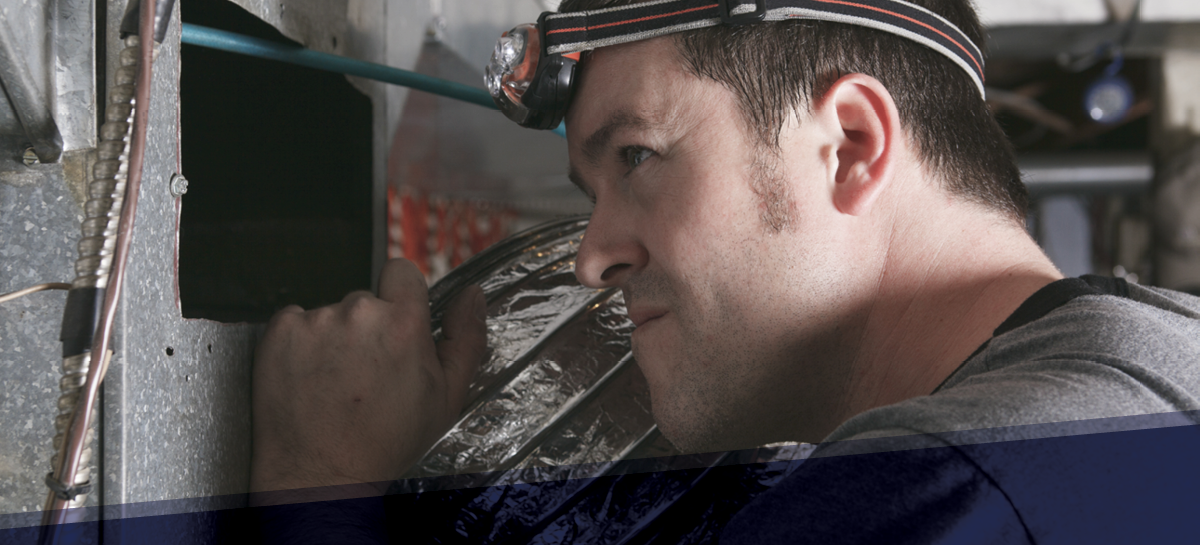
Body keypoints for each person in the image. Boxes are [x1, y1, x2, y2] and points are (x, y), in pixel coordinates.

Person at [249, 0, 1200, 542]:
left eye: (637, 158)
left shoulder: (947, 495)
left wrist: (318, 488)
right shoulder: (1155, 372)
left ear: (850, 145)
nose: (593, 255)